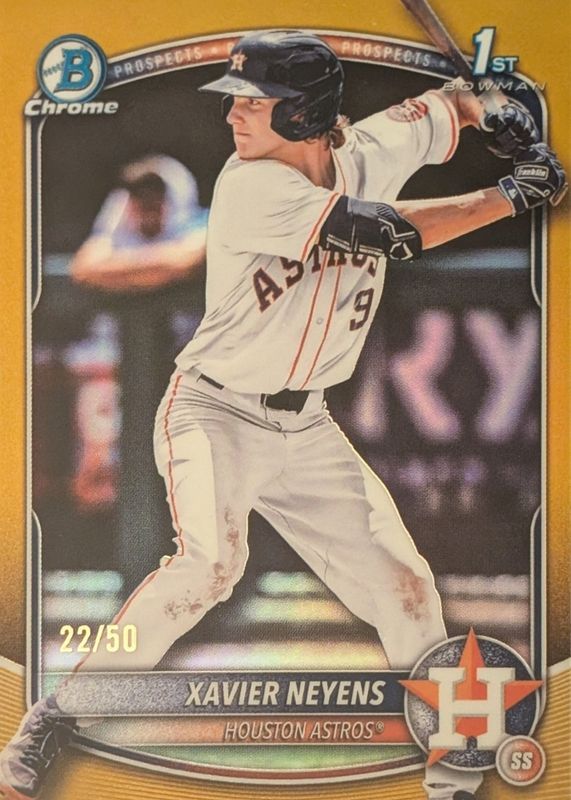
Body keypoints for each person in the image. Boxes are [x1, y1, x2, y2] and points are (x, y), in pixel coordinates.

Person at [1, 30, 565, 800]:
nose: (231, 115)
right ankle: (57, 717)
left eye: (251, 101)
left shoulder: (373, 146)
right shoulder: (249, 184)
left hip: (307, 429)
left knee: (406, 585)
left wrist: (496, 111)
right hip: (213, 411)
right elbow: (388, 233)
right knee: (208, 568)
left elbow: (452, 101)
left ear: (302, 112)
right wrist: (511, 194)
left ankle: (451, 767)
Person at [70, 154, 207, 291]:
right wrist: (158, 267)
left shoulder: (193, 223)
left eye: (155, 201)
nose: (147, 211)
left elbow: (188, 263)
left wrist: (115, 269)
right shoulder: (121, 214)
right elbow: (82, 269)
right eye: (140, 198)